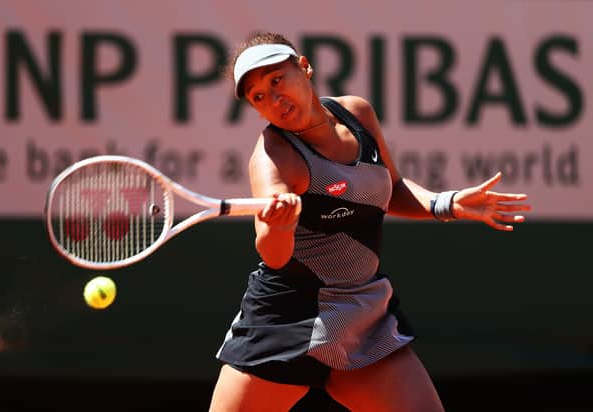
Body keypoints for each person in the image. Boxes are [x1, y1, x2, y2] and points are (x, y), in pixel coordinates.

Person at [209, 31, 530, 412]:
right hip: (286, 323)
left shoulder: (356, 113)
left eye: (277, 79)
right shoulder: (274, 158)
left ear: (305, 67)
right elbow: (273, 254)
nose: (273, 99)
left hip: (362, 319)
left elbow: (390, 188)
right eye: (258, 96)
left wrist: (448, 202)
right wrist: (278, 226)